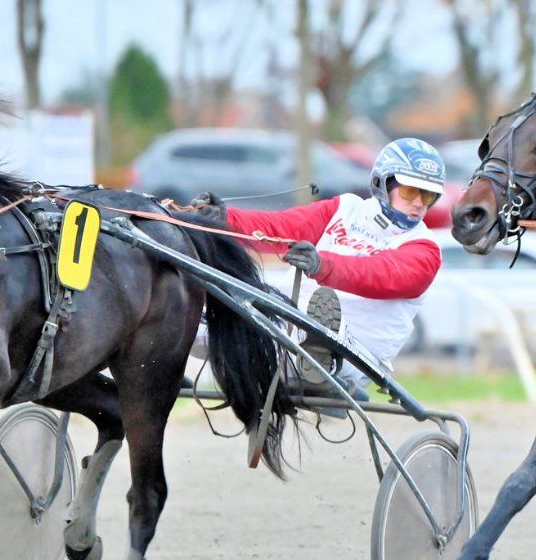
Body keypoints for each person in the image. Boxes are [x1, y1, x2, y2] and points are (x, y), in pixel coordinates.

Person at [190, 137, 447, 401]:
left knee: (302, 334)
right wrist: (226, 220)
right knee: (191, 320)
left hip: (355, 351)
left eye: (428, 195)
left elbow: (383, 274)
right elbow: (283, 226)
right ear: (382, 183)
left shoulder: (424, 248)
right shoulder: (345, 208)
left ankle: (319, 354)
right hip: (285, 323)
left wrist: (323, 265)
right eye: (409, 192)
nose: (418, 203)